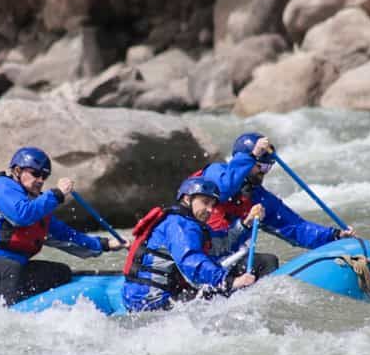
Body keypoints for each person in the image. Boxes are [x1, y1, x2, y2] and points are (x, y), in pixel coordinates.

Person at [0, 146, 128, 305]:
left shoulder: (37, 207)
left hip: (3, 273)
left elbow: (65, 235)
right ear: (17, 170)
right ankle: (5, 317)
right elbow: (21, 215)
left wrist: (106, 244)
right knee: (11, 269)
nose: (40, 180)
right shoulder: (2, 186)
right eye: (35, 174)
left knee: (61, 272)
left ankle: (19, 304)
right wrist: (57, 194)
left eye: (44, 176)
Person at [198, 132, 355, 272]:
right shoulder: (215, 172)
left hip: (224, 256)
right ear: (243, 159)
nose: (263, 173)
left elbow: (296, 229)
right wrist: (251, 156)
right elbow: (224, 188)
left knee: (267, 262)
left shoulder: (259, 199)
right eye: (260, 166)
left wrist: (335, 236)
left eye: (268, 168)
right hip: (197, 253)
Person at [121, 177, 261, 312]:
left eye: (212, 205)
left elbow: (221, 245)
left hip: (153, 295)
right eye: (205, 202)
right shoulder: (179, 224)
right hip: (150, 300)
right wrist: (229, 281)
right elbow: (191, 261)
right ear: (187, 199)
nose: (210, 210)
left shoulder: (190, 223)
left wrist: (246, 223)